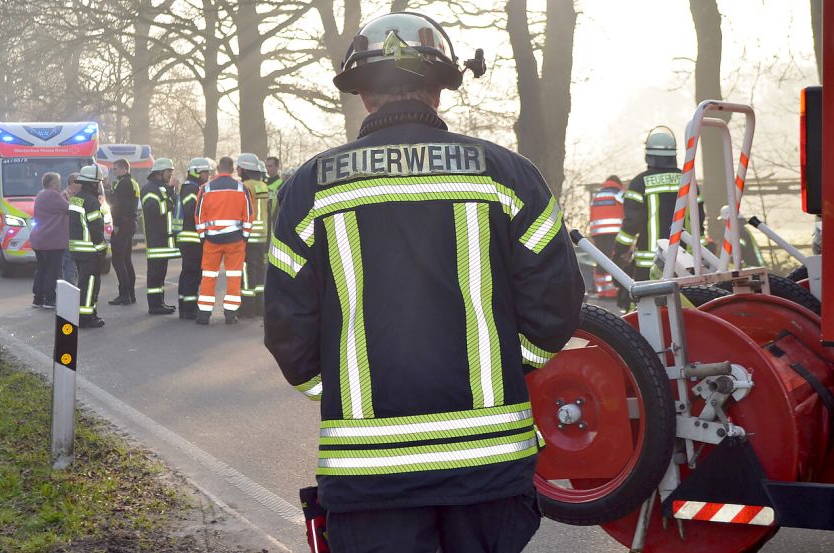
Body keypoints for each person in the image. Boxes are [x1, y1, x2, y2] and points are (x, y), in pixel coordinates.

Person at [263, 12, 583, 553]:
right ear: (440, 89)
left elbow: (287, 329)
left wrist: (338, 389)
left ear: (363, 94)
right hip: (488, 466)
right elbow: (557, 301)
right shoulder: (508, 175)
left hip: (368, 476)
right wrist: (508, 364)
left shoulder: (307, 189)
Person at [613, 126, 705, 290]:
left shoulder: (639, 183)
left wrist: (620, 251)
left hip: (649, 265)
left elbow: (631, 225)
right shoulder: (688, 181)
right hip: (688, 262)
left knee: (648, 308)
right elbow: (699, 219)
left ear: (648, 154)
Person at [194, 156, 252, 325]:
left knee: (209, 275)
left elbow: (199, 215)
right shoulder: (242, 189)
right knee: (234, 276)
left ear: (218, 168)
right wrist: (245, 236)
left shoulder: (206, 188)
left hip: (212, 240)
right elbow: (248, 215)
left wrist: (202, 236)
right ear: (233, 169)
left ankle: (204, 314)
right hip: (235, 240)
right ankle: (230, 314)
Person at [68, 165, 108, 328]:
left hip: (77, 249)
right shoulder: (91, 202)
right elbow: (96, 228)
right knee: (90, 284)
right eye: (98, 182)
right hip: (89, 250)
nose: (99, 185)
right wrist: (101, 248)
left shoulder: (76, 198)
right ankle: (86, 317)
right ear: (93, 184)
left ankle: (87, 313)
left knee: (84, 283)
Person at [141, 157, 181, 315]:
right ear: (159, 172)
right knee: (155, 274)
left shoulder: (160, 187)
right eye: (168, 172)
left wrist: (171, 192)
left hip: (163, 239)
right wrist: (171, 200)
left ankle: (160, 302)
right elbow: (154, 209)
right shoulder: (149, 189)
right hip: (156, 239)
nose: (171, 174)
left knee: (160, 274)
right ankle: (154, 305)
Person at [175, 157, 211, 319]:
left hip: (188, 237)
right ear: (196, 171)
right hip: (191, 238)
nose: (207, 175)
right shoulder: (192, 188)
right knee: (192, 273)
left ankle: (185, 306)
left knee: (188, 273)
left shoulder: (191, 187)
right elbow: (192, 211)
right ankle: (189, 309)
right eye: (205, 172)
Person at [30, 172, 68, 309]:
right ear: (53, 183)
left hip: (40, 239)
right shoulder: (53, 195)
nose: (60, 185)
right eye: (58, 182)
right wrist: (68, 197)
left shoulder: (41, 194)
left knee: (41, 269)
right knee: (52, 270)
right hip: (52, 241)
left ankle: (38, 299)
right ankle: (49, 299)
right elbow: (69, 208)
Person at [237, 153, 269, 317]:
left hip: (248, 236)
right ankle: (259, 307)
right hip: (261, 236)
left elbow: (240, 210)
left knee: (247, 272)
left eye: (239, 169)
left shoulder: (245, 186)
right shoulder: (262, 185)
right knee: (259, 273)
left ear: (244, 169)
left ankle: (247, 309)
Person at [108, 159, 140, 305]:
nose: (114, 172)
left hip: (123, 224)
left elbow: (118, 206)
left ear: (124, 169)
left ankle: (124, 294)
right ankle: (130, 294)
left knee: (118, 260)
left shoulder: (124, 183)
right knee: (126, 260)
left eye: (115, 169)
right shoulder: (132, 182)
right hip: (130, 223)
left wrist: (116, 224)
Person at [587, 175, 624, 299]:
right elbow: (628, 209)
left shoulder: (597, 196)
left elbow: (592, 214)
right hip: (614, 231)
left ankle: (601, 289)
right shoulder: (619, 193)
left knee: (600, 259)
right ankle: (611, 289)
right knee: (611, 259)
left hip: (598, 233)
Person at [61, 172, 81, 284]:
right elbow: (74, 211)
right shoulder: (66, 195)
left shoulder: (77, 195)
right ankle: (70, 292)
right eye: (79, 182)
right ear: (72, 183)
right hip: (68, 236)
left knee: (73, 267)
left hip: (76, 236)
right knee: (69, 266)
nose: (82, 184)